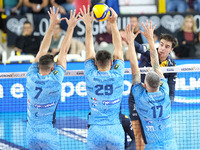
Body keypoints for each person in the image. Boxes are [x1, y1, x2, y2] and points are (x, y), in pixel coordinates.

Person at [26, 7, 79, 150]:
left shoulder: (30, 76)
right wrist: (71, 27)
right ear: (52, 68)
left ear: (38, 66)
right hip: (48, 134)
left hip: (30, 135)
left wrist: (51, 25)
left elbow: (41, 51)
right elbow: (64, 51)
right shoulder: (55, 80)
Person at [126, 21, 177, 149]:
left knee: (151, 135)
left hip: (154, 102)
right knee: (137, 135)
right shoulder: (149, 52)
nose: (162, 48)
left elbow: (171, 92)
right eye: (161, 44)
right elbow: (137, 47)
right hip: (138, 97)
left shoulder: (172, 66)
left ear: (171, 50)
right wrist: (129, 39)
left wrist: (164, 105)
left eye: (166, 46)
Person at [80, 5, 125, 149]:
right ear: (112, 62)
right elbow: (119, 50)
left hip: (95, 131)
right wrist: (114, 24)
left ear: (94, 62)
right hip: (115, 130)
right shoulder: (117, 73)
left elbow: (89, 50)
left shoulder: (91, 74)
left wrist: (88, 25)